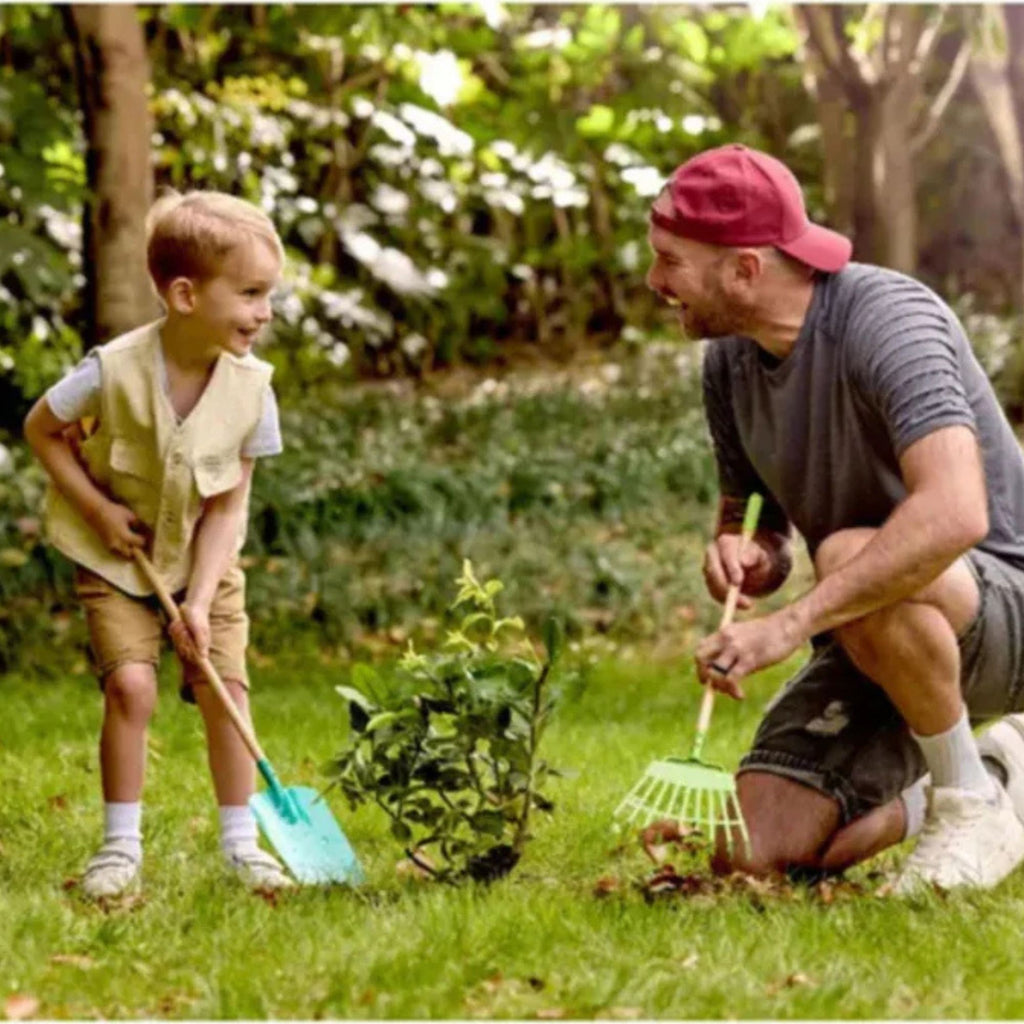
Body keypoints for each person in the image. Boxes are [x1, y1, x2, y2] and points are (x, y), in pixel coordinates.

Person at [646, 143, 1024, 893]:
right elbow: (755, 516)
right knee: (755, 853)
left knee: (852, 547)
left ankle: (968, 804)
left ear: (745, 268)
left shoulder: (889, 319)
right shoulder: (731, 360)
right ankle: (995, 776)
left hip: (1004, 608)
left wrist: (786, 627)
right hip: (875, 631)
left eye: (670, 262)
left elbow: (955, 512)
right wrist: (745, 548)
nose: (656, 283)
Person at [23, 190, 293, 898]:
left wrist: (200, 601)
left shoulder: (253, 389)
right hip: (115, 557)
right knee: (131, 686)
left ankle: (243, 844)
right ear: (183, 294)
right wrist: (99, 511)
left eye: (269, 294)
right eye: (251, 293)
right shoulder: (110, 370)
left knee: (222, 685)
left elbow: (231, 504)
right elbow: (39, 431)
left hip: (202, 563)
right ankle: (120, 849)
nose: (266, 311)